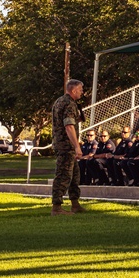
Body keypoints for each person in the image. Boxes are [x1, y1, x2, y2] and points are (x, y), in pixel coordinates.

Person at [50, 79, 85, 216]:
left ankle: (75, 204)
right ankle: (57, 208)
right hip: (66, 146)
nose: (82, 92)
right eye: (81, 90)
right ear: (74, 90)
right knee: (63, 175)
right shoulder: (69, 104)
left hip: (62, 144)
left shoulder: (59, 101)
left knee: (74, 175)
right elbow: (69, 126)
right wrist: (77, 146)